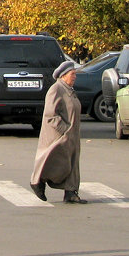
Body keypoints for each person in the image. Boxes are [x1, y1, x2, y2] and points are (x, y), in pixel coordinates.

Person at [30, 59, 86, 204]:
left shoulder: (69, 91)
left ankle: (71, 193)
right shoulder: (56, 90)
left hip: (71, 135)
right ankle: (38, 182)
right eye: (72, 74)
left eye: (75, 74)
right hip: (59, 136)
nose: (75, 77)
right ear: (63, 75)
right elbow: (50, 115)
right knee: (52, 161)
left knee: (72, 163)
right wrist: (65, 130)